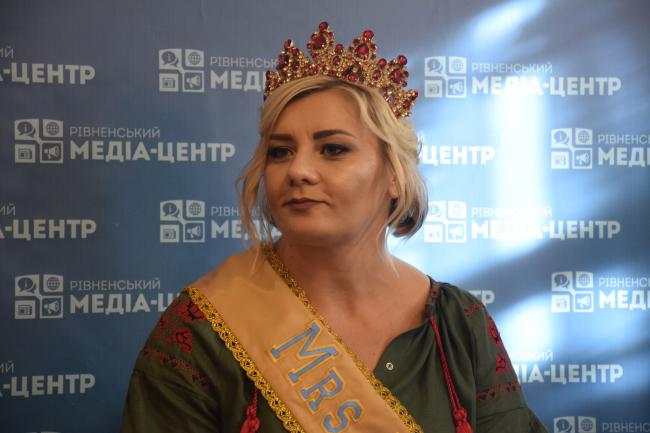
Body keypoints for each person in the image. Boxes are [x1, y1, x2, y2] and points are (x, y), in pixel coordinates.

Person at [121, 22, 548, 433]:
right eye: (280, 151)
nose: (298, 170)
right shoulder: (204, 326)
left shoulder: (459, 325)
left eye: (333, 149)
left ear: (394, 175)